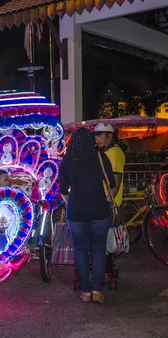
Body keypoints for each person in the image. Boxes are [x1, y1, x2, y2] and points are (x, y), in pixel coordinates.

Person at [59, 128, 115, 304]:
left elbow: (62, 189)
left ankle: (85, 291)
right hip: (99, 209)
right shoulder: (100, 157)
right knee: (99, 249)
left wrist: (71, 200)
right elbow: (112, 183)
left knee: (80, 250)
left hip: (76, 210)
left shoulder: (68, 160)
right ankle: (97, 290)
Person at [93, 122, 125, 207]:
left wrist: (109, 201)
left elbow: (116, 177)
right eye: (95, 137)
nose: (97, 140)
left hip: (108, 201)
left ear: (110, 136)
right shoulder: (104, 151)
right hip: (101, 199)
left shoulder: (115, 152)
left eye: (100, 137)